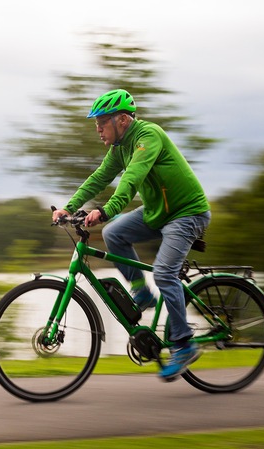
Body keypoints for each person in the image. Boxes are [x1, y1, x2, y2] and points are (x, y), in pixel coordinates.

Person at [52, 89, 211, 381]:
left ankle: (184, 344)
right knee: (114, 234)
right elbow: (99, 177)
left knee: (164, 273)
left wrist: (106, 210)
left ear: (123, 120)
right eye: (96, 123)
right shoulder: (118, 149)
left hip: (187, 213)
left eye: (102, 122)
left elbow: (132, 178)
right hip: (157, 213)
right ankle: (142, 293)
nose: (97, 128)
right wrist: (69, 207)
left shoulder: (148, 136)